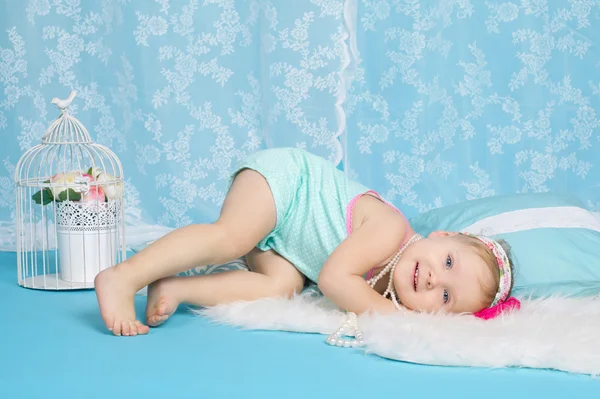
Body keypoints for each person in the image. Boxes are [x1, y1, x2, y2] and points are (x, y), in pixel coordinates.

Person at [94, 147, 519, 336]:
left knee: (282, 287)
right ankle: (123, 277)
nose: (432, 282)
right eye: (447, 263)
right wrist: (393, 317)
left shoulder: (390, 283)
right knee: (230, 236)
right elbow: (334, 277)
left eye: (446, 297)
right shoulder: (391, 229)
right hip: (285, 185)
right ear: (441, 236)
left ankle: (175, 287)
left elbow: (322, 280)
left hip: (285, 244)